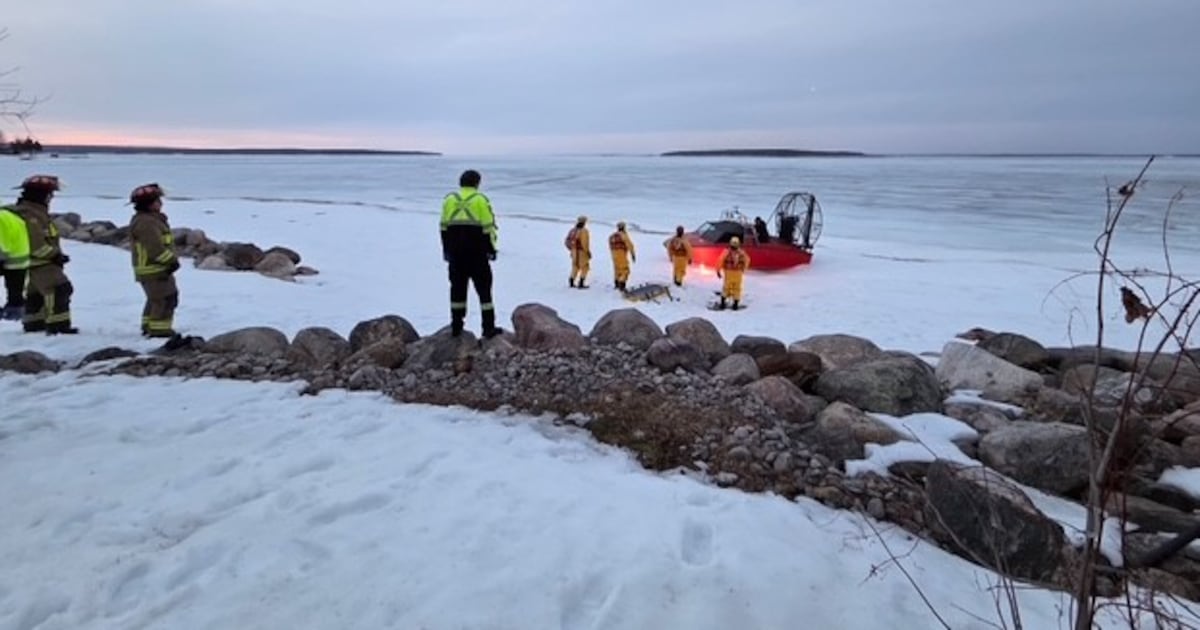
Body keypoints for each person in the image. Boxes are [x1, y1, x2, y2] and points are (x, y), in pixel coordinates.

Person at [440, 169, 502, 338]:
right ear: (477, 183)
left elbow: (443, 228)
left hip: (455, 255)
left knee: (457, 291)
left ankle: (456, 326)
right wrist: (491, 250)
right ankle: (488, 328)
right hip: (477, 255)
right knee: (484, 292)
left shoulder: (449, 200)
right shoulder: (481, 200)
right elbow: (488, 228)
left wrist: (446, 251)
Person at [13, 174, 76, 334]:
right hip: (41, 263)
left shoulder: (31, 211)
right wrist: (54, 255)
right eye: (50, 194)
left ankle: (34, 323)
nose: (51, 197)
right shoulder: (31, 215)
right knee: (59, 289)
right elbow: (36, 245)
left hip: (33, 263)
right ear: (41, 195)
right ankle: (59, 327)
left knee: (36, 294)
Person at [128, 183, 181, 338]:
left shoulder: (150, 220)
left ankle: (148, 326)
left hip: (156, 269)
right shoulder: (146, 223)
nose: (161, 203)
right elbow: (154, 248)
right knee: (165, 299)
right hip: (154, 269)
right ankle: (159, 331)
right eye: (157, 201)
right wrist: (170, 261)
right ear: (149, 204)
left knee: (156, 299)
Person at [0, 202, 30, 321]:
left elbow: (2, 243)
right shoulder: (12, 217)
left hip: (8, 255)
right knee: (16, 289)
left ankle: (13, 312)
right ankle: (16, 310)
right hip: (20, 257)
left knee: (14, 288)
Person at [715, 236, 751, 310]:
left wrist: (718, 270)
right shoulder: (742, 253)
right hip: (738, 273)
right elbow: (747, 260)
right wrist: (743, 269)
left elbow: (720, 260)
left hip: (728, 272)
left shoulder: (726, 252)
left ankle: (722, 303)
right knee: (737, 288)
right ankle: (735, 304)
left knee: (726, 287)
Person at [607, 220, 636, 291]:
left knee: (617, 269)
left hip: (614, 255)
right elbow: (630, 245)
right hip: (621, 254)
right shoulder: (623, 235)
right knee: (625, 270)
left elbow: (610, 245)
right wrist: (633, 254)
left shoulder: (612, 236)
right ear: (623, 227)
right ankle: (622, 285)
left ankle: (616, 284)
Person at [565, 215, 591, 288]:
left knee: (575, 266)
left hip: (573, 251)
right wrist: (587, 252)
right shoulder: (584, 231)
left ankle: (571, 281)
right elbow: (584, 243)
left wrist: (571, 249)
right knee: (585, 267)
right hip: (581, 251)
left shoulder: (572, 230)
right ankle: (581, 283)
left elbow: (567, 241)